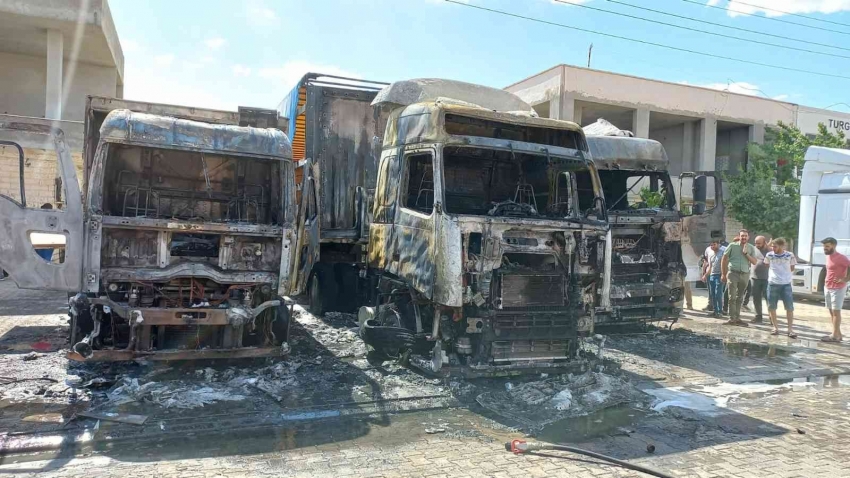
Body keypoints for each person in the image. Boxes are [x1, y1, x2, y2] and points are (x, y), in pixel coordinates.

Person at [721, 229, 757, 327]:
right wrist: (723, 274)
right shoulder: (732, 245)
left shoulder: (751, 248)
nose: (744, 237)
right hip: (733, 273)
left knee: (740, 297)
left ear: (748, 237)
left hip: (745, 274)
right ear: (739, 236)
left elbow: (754, 262)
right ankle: (732, 318)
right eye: (742, 236)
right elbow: (724, 259)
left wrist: (746, 254)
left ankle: (737, 318)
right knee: (731, 297)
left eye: (745, 236)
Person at [764, 237, 797, 338]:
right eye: (772, 246)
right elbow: (766, 265)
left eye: (775, 246)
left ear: (782, 246)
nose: (773, 248)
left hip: (786, 284)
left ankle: (790, 329)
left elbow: (792, 268)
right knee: (772, 306)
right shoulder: (769, 255)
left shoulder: (790, 255)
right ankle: (775, 327)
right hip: (773, 283)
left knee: (789, 307)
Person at [821, 237, 850, 343]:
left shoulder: (842, 258)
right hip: (827, 287)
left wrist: (845, 279)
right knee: (831, 311)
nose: (825, 249)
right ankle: (838, 333)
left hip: (838, 288)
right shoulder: (829, 256)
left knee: (836, 312)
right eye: (824, 247)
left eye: (827, 246)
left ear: (834, 245)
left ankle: (834, 335)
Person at [748, 236, 770, 324]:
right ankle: (758, 316)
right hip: (755, 278)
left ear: (764, 242)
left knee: (769, 299)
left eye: (759, 243)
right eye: (756, 243)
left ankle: (772, 317)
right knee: (756, 298)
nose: (757, 245)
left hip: (767, 279)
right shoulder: (753, 249)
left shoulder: (770, 251)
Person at [703, 240, 726, 317]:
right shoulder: (710, 254)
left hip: (720, 275)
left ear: (718, 245)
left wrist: (724, 274)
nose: (712, 246)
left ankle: (720, 311)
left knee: (718, 293)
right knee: (712, 294)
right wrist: (705, 275)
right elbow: (710, 266)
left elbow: (726, 264)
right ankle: (715, 311)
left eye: (714, 245)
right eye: (711, 245)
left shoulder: (723, 252)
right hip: (712, 275)